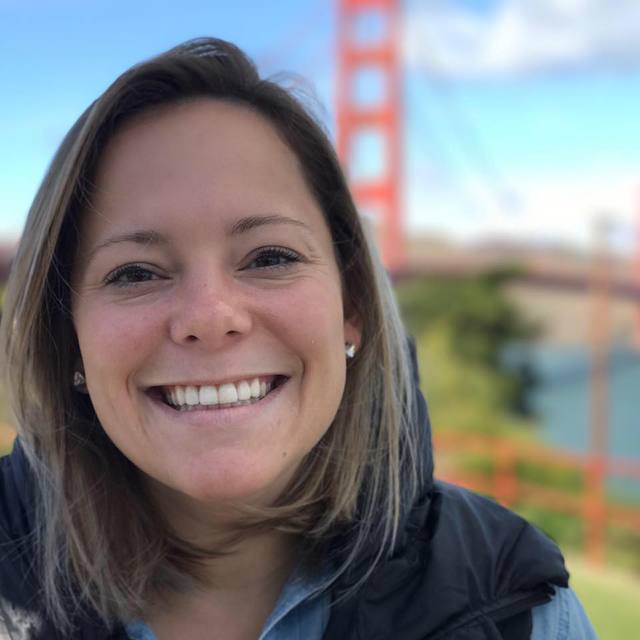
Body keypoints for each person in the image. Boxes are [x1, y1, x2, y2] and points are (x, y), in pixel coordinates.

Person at [0, 38, 596, 640]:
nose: (210, 316)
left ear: (352, 306)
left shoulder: (520, 610)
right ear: (68, 336)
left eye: (270, 257)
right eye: (135, 273)